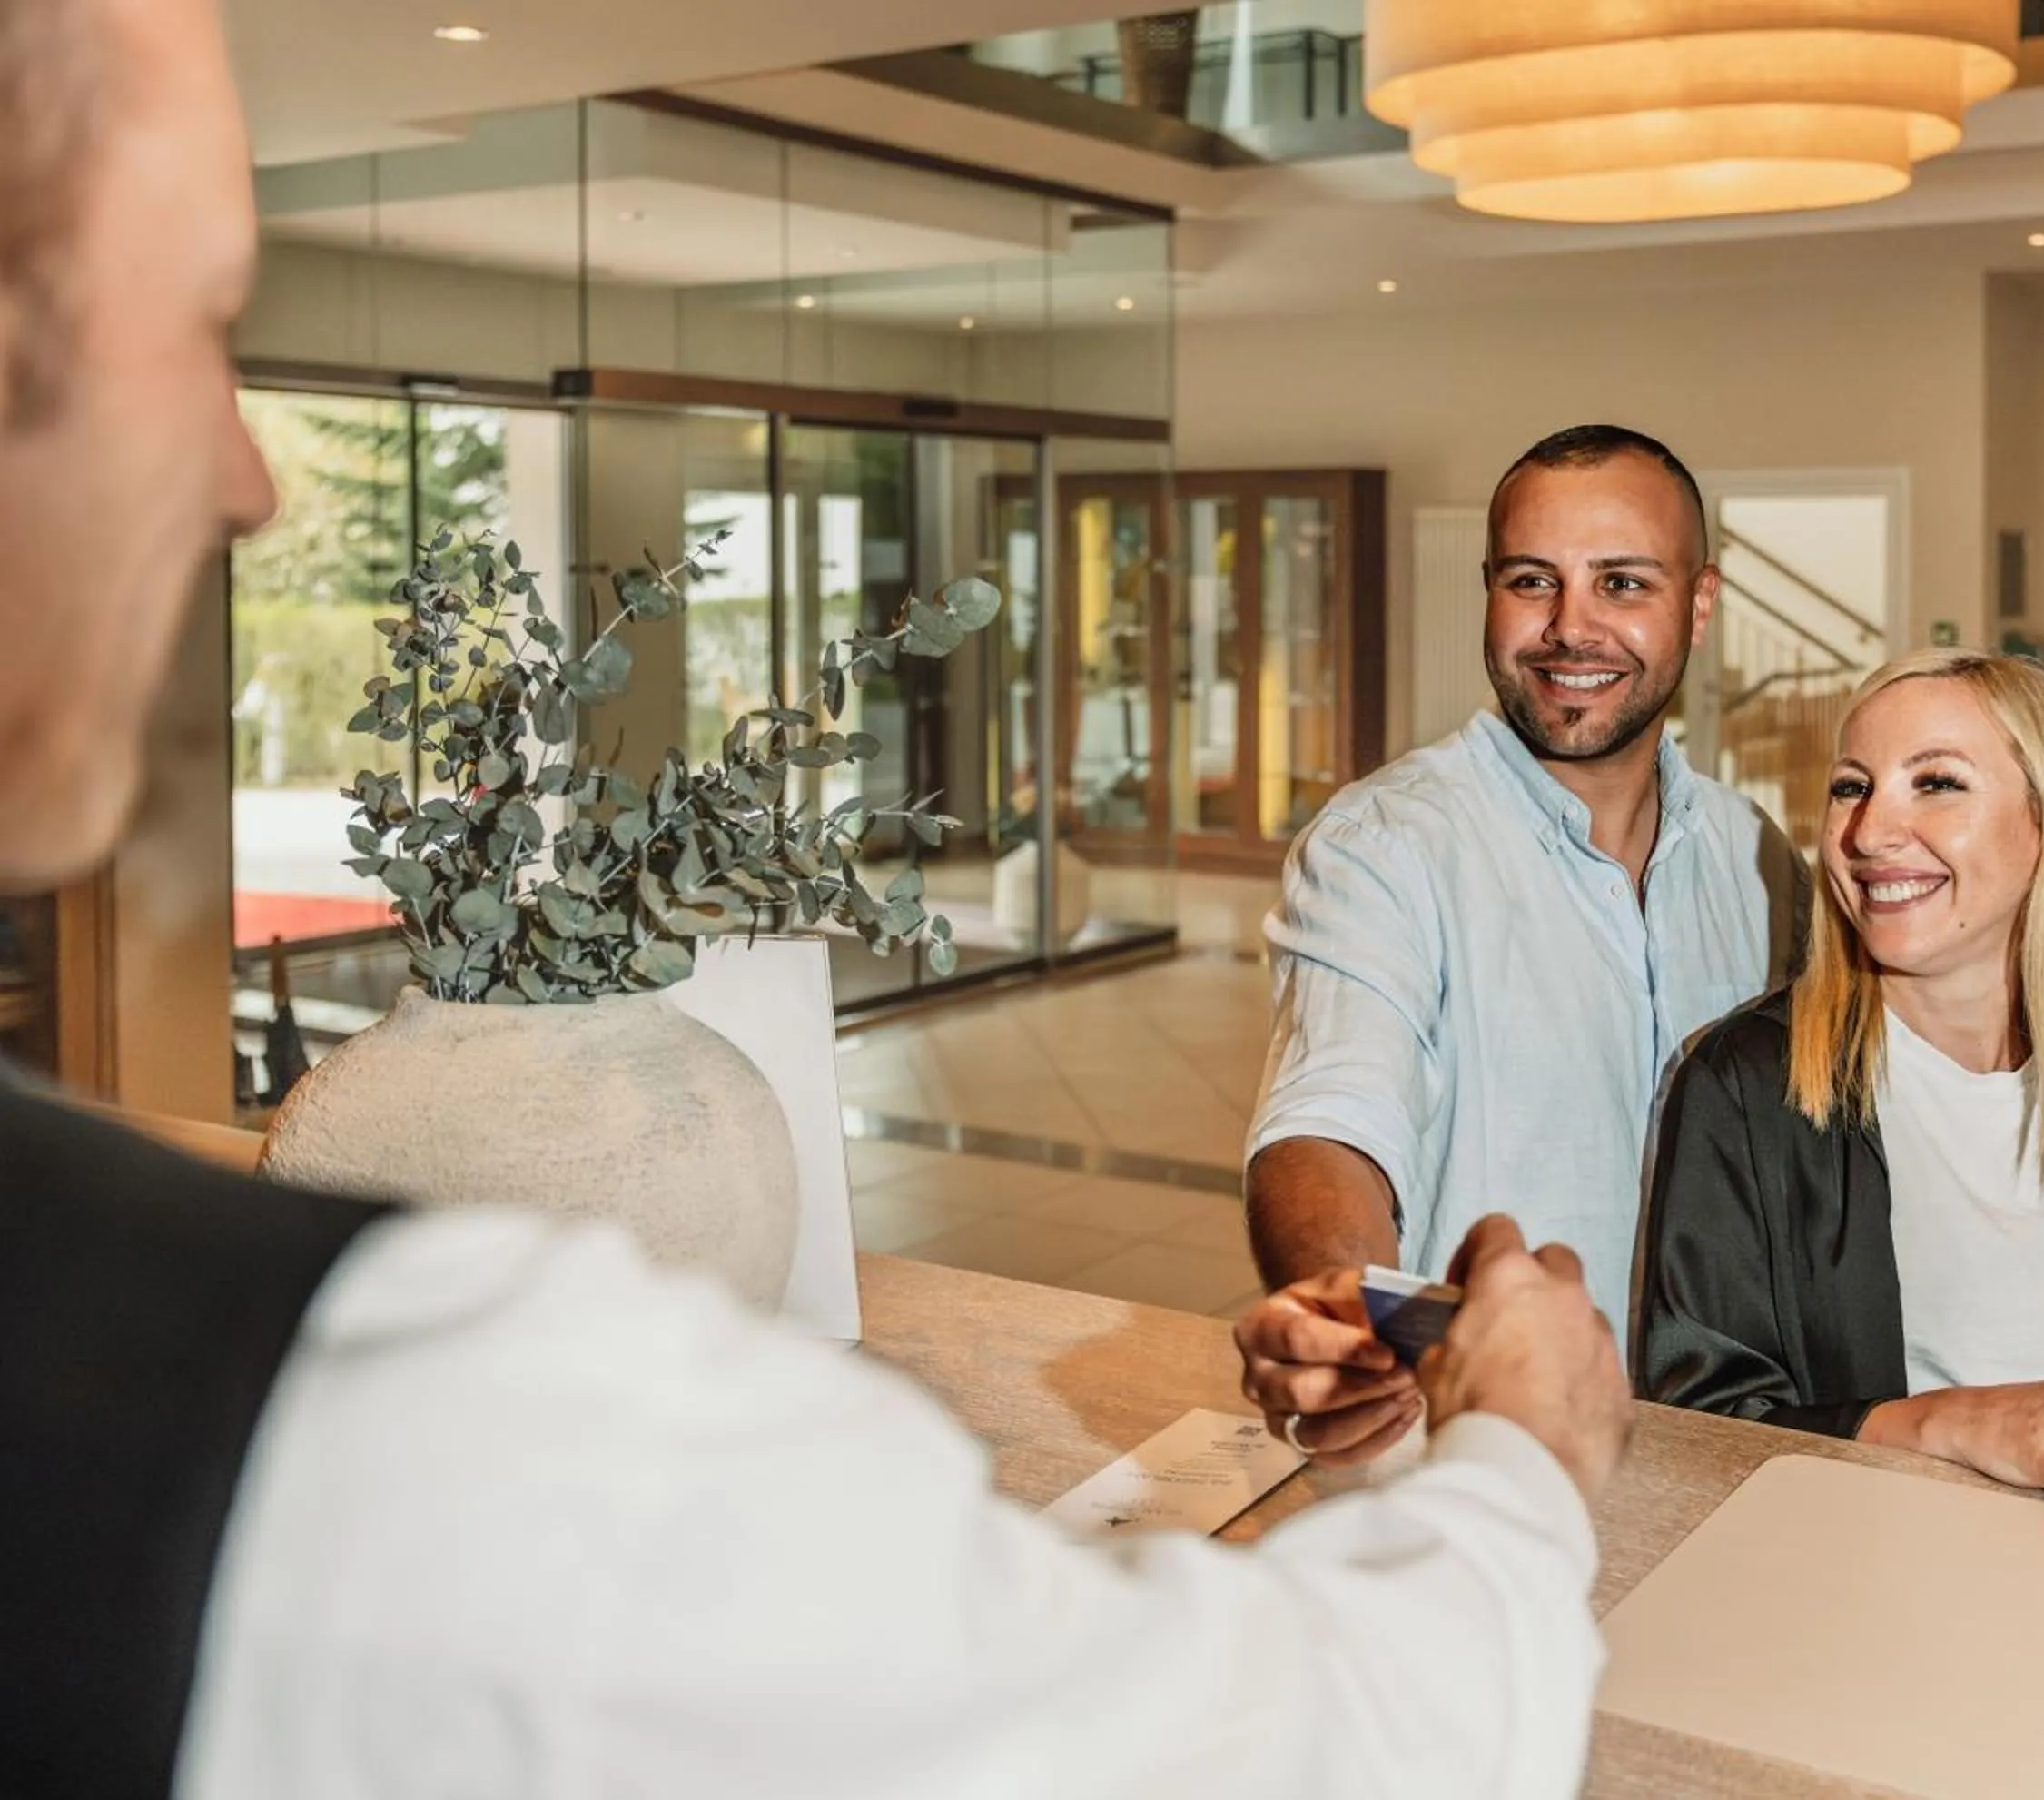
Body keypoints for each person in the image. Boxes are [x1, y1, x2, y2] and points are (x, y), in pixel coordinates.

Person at [0, 4, 1634, 1795]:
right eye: (202, 321)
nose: (246, 474)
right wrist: (1527, 1459)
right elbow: (1270, 1751)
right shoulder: (370, 1422)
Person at [1234, 426, 2044, 1467]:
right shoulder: (1386, 846)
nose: (1569, 627)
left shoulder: (1754, 857)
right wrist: (1342, 1307)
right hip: (1482, 1451)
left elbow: (1894, 1043)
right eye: (1532, 581)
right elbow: (1329, 1121)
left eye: (1623, 582)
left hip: (1731, 1457)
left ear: (1701, 604)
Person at [1635, 649, 2044, 1605]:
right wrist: (1957, 1423)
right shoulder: (1747, 1087)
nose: (1869, 831)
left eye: (1936, 782)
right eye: (1850, 787)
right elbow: (1698, 1425)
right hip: (1847, 1606)